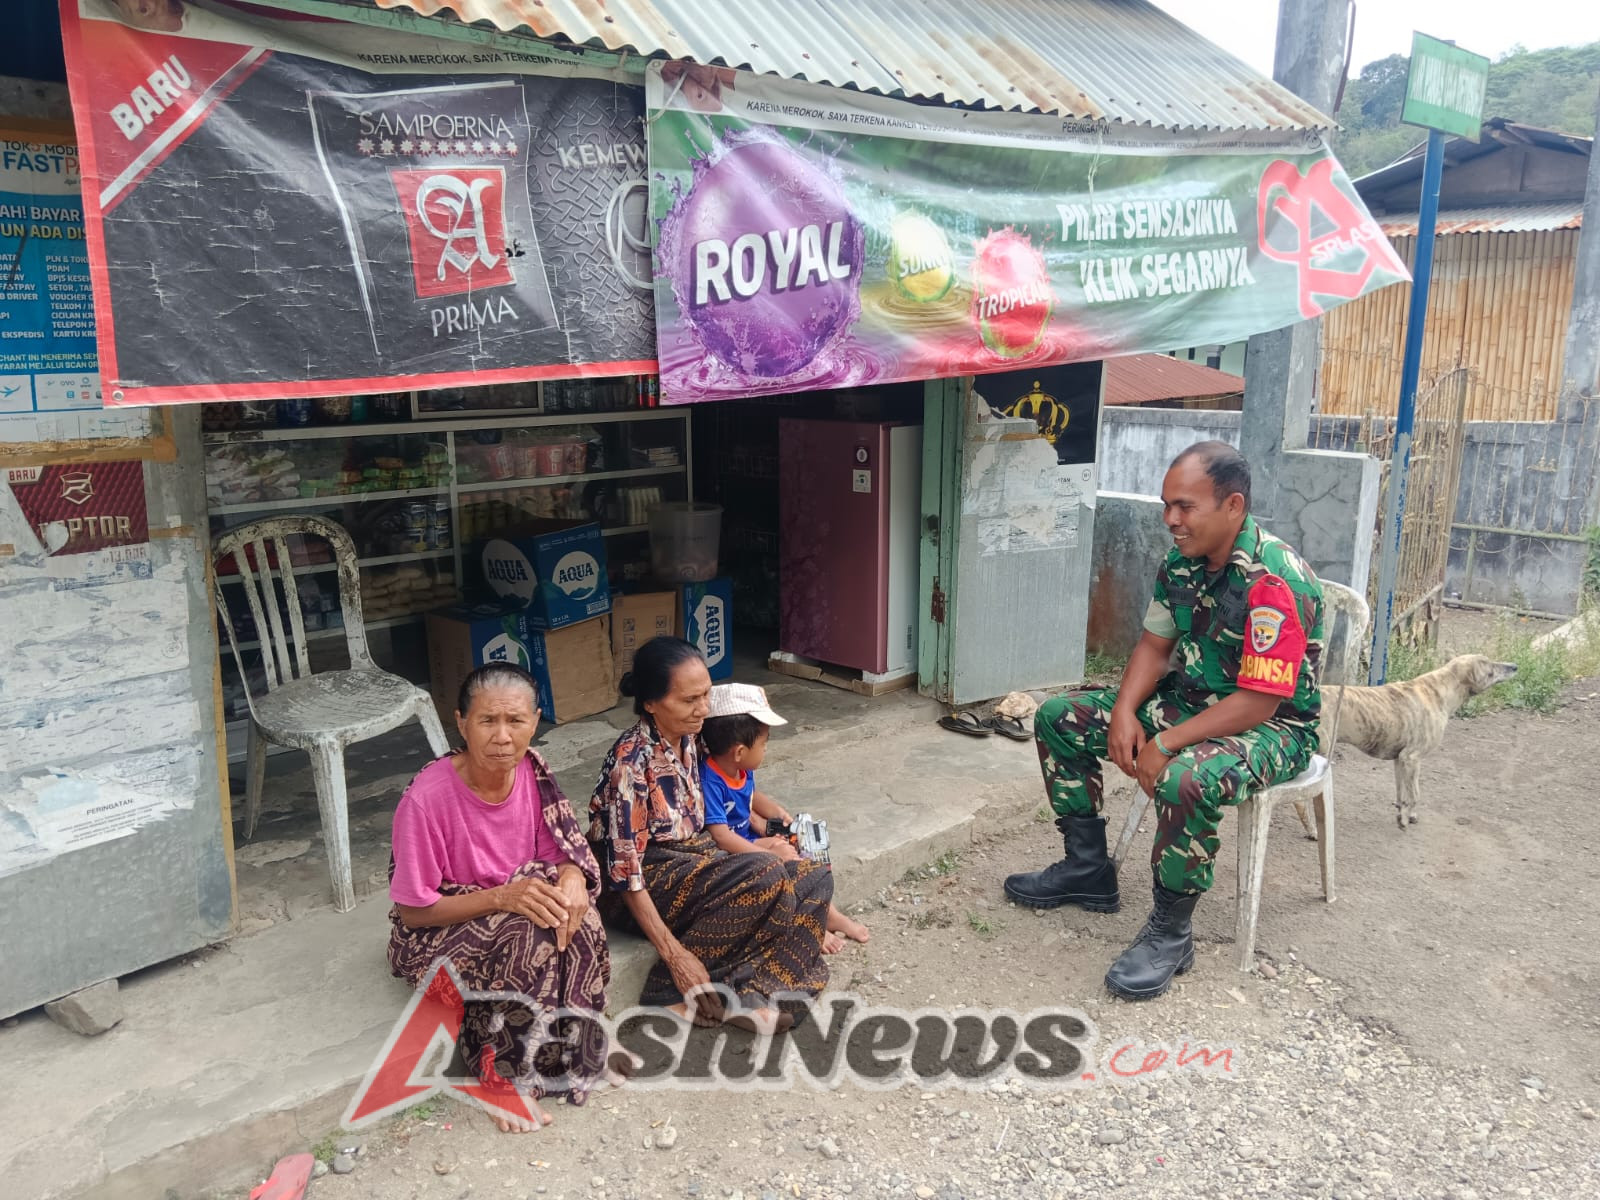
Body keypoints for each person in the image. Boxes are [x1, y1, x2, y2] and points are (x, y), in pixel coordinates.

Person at [1004, 441, 1324, 1001]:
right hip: (1195, 701)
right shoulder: (1180, 561)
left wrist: (1168, 742)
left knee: (1185, 776)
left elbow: (1259, 702)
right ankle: (1088, 870)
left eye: (1184, 506)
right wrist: (1125, 711)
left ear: (1233, 505)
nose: (1170, 520)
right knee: (1063, 716)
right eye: (1165, 505)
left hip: (1274, 726)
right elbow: (1154, 646)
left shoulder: (1275, 580)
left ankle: (1171, 933)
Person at [387, 663, 610, 1133]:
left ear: (535, 721)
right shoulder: (426, 800)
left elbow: (560, 851)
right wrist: (503, 898)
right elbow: (413, 910)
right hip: (433, 933)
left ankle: (570, 1051)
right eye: (488, 721)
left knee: (578, 914)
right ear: (461, 722)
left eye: (516, 721)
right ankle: (499, 1076)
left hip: (507, 904)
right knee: (528, 929)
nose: (503, 736)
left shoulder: (532, 770)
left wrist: (571, 877)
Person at [588, 638, 830, 1032]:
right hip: (642, 877)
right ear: (651, 703)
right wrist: (674, 954)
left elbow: (735, 779)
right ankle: (671, 992)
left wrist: (769, 828)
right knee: (764, 873)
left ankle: (749, 992)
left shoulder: (691, 738)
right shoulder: (629, 765)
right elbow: (626, 874)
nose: (703, 710)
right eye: (689, 700)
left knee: (814, 876)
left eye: (705, 695)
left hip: (693, 859)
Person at [698, 682, 871, 953]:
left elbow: (753, 795)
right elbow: (720, 836)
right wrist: (763, 852)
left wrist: (778, 815)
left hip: (750, 839)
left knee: (805, 846)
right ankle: (811, 921)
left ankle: (829, 912)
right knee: (785, 864)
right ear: (740, 752)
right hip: (730, 855)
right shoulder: (711, 780)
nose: (766, 749)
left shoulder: (740, 770)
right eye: (764, 742)